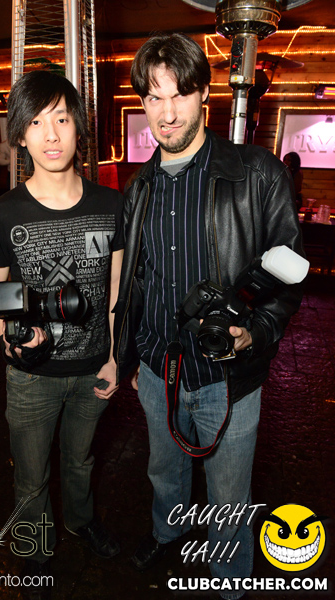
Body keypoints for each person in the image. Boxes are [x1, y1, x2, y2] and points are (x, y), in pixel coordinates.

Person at [113, 33, 305, 600]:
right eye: (153, 97)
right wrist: (130, 355)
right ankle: (167, 533)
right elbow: (136, 281)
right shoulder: (139, 188)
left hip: (229, 377)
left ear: (204, 94)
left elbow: (290, 276)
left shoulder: (258, 173)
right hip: (158, 372)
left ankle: (229, 581)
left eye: (179, 94)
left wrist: (255, 333)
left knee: (228, 493)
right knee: (163, 471)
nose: (167, 112)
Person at [0, 70, 124, 599]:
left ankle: (80, 522)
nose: (51, 134)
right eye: (37, 122)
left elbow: (116, 291)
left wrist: (115, 357)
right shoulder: (2, 214)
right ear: (20, 135)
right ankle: (36, 553)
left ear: (78, 127)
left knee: (81, 461)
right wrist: (14, 338)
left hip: (93, 368)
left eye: (61, 119)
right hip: (30, 378)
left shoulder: (111, 205)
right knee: (31, 476)